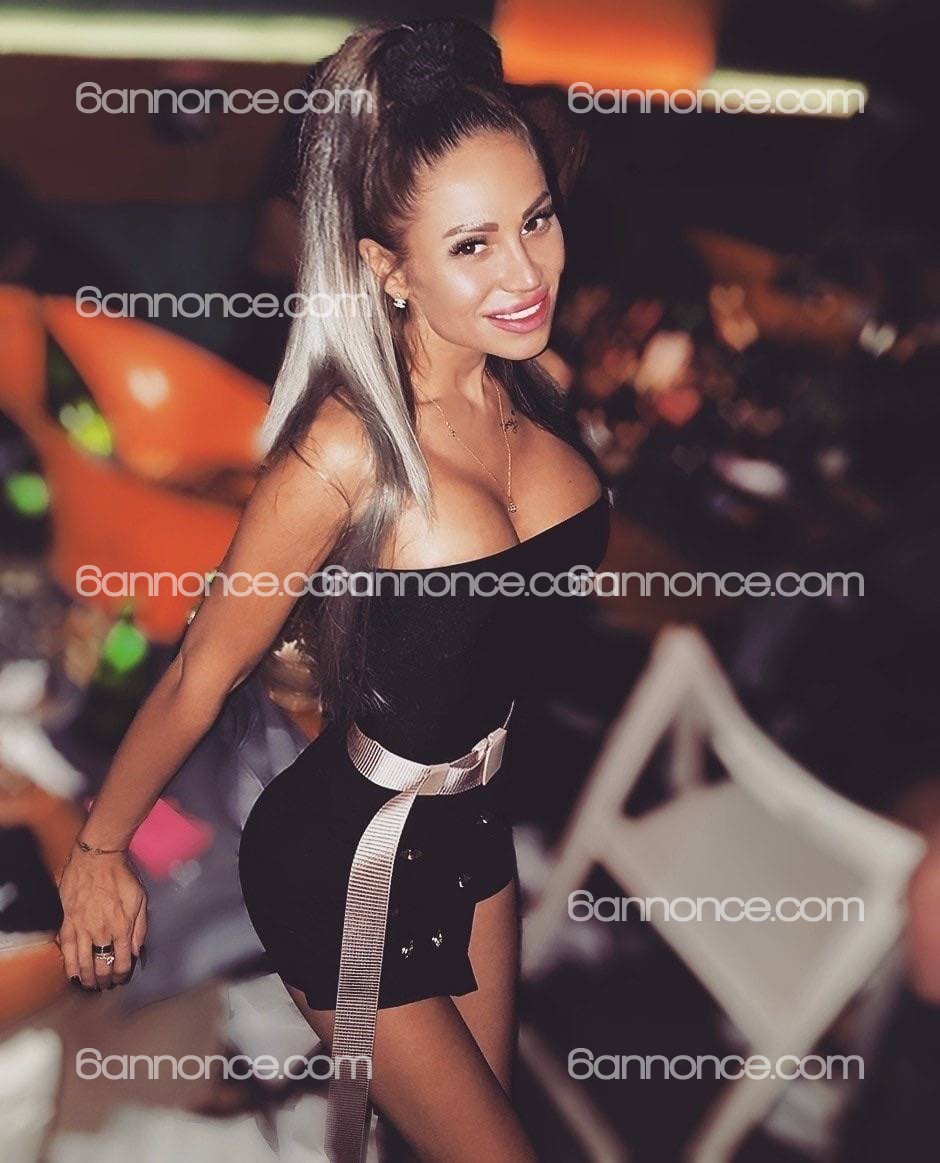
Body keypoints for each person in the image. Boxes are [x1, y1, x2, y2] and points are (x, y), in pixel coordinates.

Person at [54, 18, 610, 1161]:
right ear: (386, 266)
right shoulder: (346, 447)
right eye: (472, 244)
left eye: (536, 220)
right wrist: (100, 851)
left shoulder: (535, 384)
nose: (524, 273)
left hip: (476, 827)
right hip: (345, 858)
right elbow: (204, 669)